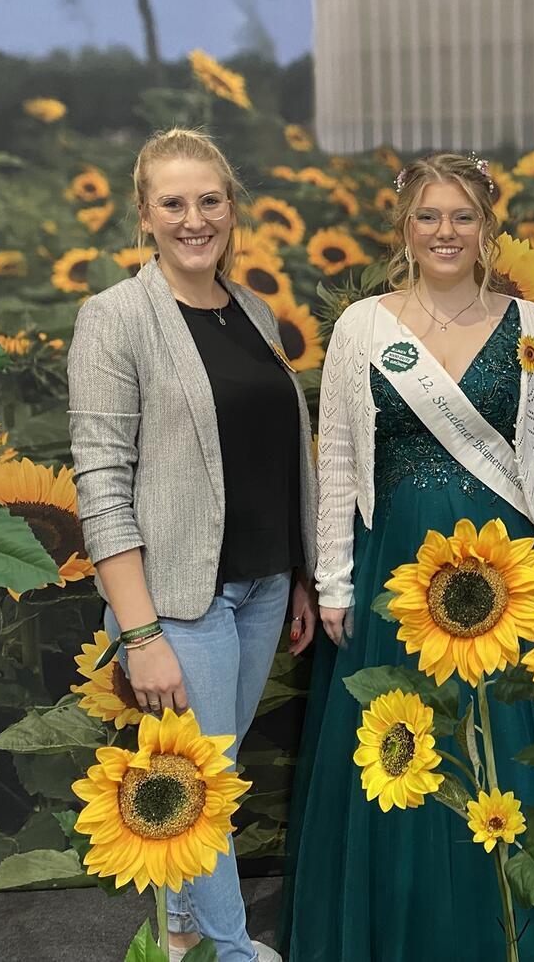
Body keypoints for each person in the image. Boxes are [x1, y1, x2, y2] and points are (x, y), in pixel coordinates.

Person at [281, 153, 534, 962]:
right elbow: (335, 458)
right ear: (405, 228)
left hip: (508, 573)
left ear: (488, 228)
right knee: (405, 755)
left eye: (463, 216)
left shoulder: (533, 329)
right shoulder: (362, 328)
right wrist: (333, 578)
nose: (446, 232)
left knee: (513, 763)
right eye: (430, 216)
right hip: (393, 573)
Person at [68, 128, 318, 962]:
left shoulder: (249, 309)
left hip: (262, 585)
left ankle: (180, 930)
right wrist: (140, 635)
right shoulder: (113, 318)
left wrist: (301, 574)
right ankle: (229, 948)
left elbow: (275, 452)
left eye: (210, 200)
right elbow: (100, 485)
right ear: (144, 214)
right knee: (203, 783)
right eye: (173, 202)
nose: (194, 218)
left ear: (232, 208)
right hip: (178, 599)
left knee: (216, 762)